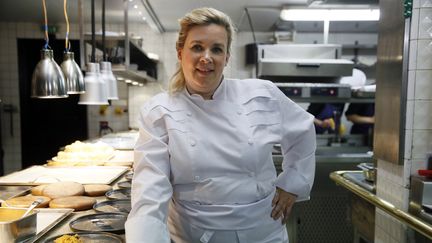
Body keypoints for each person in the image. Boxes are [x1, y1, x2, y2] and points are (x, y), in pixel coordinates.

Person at [125, 7, 316, 243]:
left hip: (263, 232)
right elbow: (149, 191)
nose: (207, 57)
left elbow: (303, 130)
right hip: (193, 235)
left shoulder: (261, 94)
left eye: (217, 49)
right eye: (197, 47)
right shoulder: (159, 111)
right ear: (180, 52)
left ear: (226, 58)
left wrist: (292, 184)